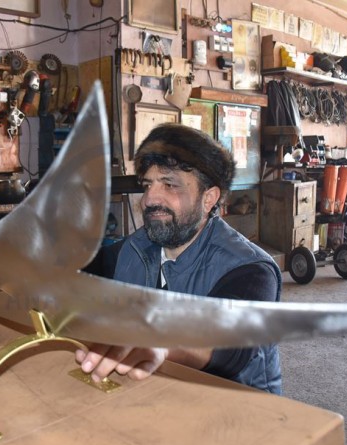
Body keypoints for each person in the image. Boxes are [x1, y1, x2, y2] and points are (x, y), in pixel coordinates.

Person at [79, 123, 282, 394]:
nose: (149, 199)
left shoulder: (251, 270)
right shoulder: (134, 248)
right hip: (156, 396)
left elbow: (230, 344)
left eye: (169, 184)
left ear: (208, 198)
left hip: (240, 408)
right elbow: (73, 276)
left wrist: (161, 343)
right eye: (148, 185)